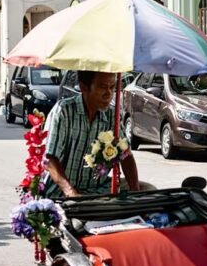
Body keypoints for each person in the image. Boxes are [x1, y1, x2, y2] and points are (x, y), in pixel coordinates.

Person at [44, 70, 140, 198]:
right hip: (61, 193)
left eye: (112, 87)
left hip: (98, 190)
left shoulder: (111, 114)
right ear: (84, 87)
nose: (108, 94)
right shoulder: (63, 111)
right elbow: (50, 159)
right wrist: (71, 192)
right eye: (102, 87)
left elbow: (126, 156)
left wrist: (136, 194)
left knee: (147, 190)